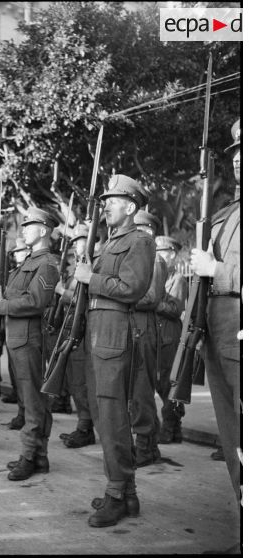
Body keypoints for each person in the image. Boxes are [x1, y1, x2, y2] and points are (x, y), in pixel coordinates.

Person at [73, 174, 155, 527]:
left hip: (115, 334)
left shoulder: (140, 241)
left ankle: (117, 493)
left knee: (111, 417)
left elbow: (132, 288)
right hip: (100, 331)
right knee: (106, 415)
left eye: (113, 199)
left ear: (131, 206)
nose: (105, 204)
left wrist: (91, 278)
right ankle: (128, 493)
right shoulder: (110, 241)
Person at [190, 118, 241, 511]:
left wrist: (216, 270)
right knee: (231, 435)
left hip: (242, 329)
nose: (239, 159)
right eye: (236, 152)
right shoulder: (228, 212)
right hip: (217, 327)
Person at [0, 207, 60, 481]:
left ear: (43, 230)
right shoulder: (28, 263)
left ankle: (30, 455)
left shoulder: (46, 264)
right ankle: (39, 456)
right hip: (18, 340)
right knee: (31, 400)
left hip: (30, 341)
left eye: (28, 225)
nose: (23, 229)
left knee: (33, 402)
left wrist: (3, 304)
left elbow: (36, 302)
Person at [131, 209, 168, 467]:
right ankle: (150, 445)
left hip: (144, 330)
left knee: (142, 391)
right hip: (135, 329)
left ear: (150, 232)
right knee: (136, 390)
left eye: (141, 230)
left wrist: (121, 295)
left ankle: (144, 447)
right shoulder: (140, 257)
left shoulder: (155, 260)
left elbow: (152, 298)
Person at [56, 223, 97, 449]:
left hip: (84, 330)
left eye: (80, 241)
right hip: (71, 329)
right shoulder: (77, 268)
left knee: (82, 382)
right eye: (75, 242)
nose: (76, 246)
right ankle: (83, 424)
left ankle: (86, 427)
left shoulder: (94, 266)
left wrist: (63, 293)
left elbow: (87, 297)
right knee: (74, 380)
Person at [154, 235, 187, 444]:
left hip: (170, 336)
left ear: (172, 254)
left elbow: (175, 309)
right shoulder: (157, 277)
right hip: (158, 336)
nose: (157, 258)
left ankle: (169, 427)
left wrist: (153, 303)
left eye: (161, 253)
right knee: (160, 384)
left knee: (169, 385)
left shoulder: (177, 279)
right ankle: (175, 430)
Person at [4, 237, 30, 431]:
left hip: (26, 332)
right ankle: (22, 412)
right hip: (12, 331)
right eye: (15, 252)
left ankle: (28, 416)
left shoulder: (33, 270)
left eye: (20, 251)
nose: (16, 255)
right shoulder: (14, 273)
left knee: (27, 381)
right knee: (17, 378)